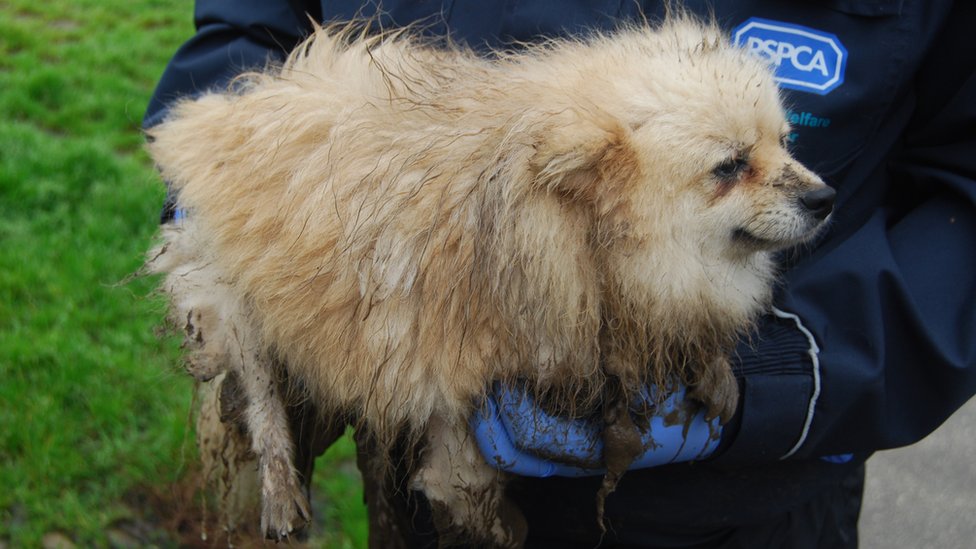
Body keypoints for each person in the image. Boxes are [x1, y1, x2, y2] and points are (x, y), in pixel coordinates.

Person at [144, 1, 976, 547]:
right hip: (435, 490)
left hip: (754, 506)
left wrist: (787, 374)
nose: (802, 184)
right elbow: (255, 26)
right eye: (737, 168)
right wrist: (231, 174)